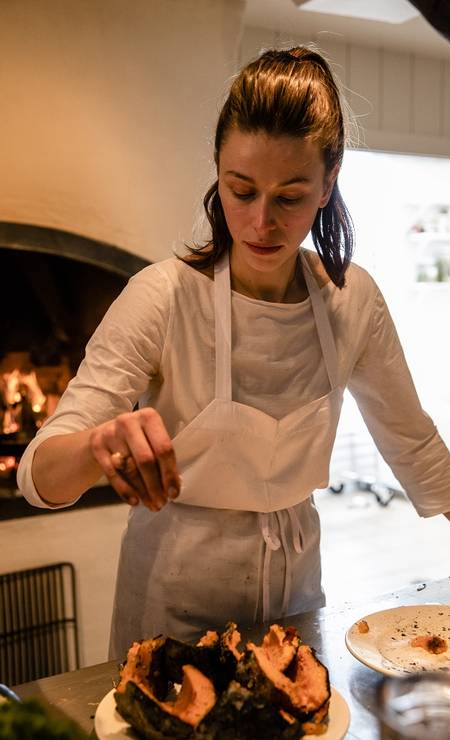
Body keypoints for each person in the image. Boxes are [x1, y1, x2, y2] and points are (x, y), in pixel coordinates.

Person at [18, 47, 450, 661]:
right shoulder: (163, 296)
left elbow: (416, 447)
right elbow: (38, 476)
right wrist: (97, 444)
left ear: (328, 185)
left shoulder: (353, 301)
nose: (259, 222)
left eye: (290, 197)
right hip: (173, 597)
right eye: (239, 190)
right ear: (217, 171)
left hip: (297, 593)